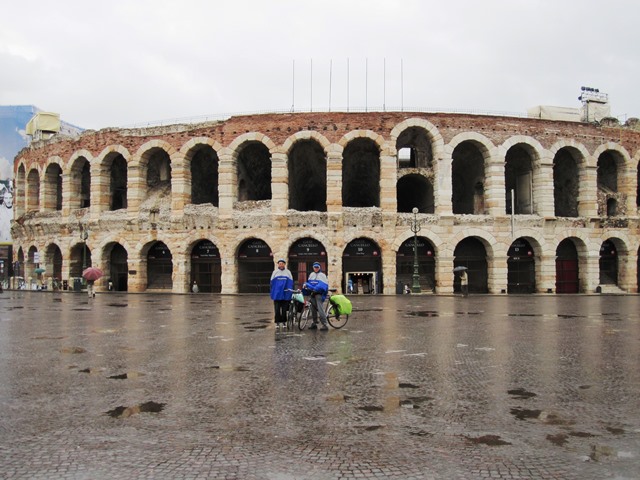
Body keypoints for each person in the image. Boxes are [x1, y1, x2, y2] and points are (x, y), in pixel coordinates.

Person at [303, 262, 329, 331]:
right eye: (315, 267)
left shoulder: (322, 275)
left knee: (320, 309)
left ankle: (325, 324)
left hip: (319, 294)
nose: (316, 268)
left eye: (317, 267)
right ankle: (314, 323)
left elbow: (323, 285)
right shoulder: (311, 274)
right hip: (312, 293)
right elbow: (309, 283)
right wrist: (306, 285)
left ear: (319, 268)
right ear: (313, 268)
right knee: (313, 308)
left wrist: (315, 289)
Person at [270, 259, 293, 331]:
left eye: (282, 264)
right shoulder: (275, 272)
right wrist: (273, 292)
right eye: (279, 264)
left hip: (285, 294)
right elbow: (272, 283)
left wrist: (289, 292)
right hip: (277, 294)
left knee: (284, 309)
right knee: (277, 309)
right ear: (278, 265)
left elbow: (291, 283)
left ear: (284, 264)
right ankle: (277, 322)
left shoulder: (288, 272)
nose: (281, 265)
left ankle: (284, 322)